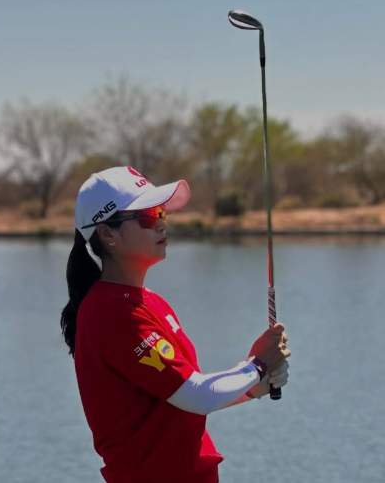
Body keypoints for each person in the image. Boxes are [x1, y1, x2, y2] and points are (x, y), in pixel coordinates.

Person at [60, 166, 291, 483]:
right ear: (107, 233)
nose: (160, 223)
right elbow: (196, 394)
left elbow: (182, 399)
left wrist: (252, 387)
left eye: (161, 213)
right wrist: (257, 365)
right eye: (146, 216)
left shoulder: (151, 302)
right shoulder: (108, 311)